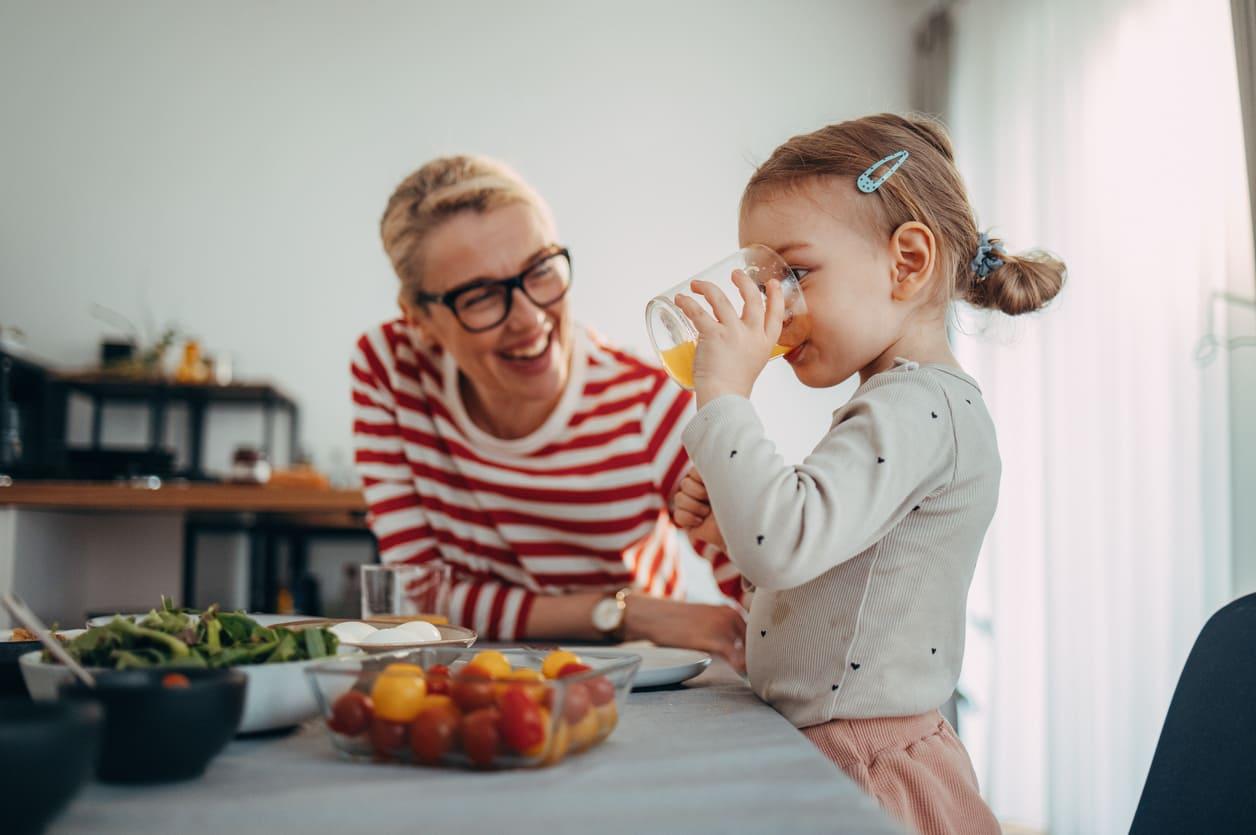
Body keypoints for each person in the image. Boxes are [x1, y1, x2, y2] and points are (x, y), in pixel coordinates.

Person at [671, 113, 1065, 834]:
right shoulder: (900, 404)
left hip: (865, 767)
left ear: (907, 263)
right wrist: (732, 534)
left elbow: (782, 543)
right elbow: (826, 581)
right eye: (760, 278)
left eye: (793, 273)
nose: (774, 305)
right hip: (832, 745)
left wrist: (724, 395)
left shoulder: (920, 409)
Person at [352, 155, 746, 667]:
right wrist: (626, 612)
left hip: (630, 682)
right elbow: (420, 595)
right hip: (471, 680)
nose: (529, 317)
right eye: (480, 297)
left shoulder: (646, 406)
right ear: (419, 320)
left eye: (539, 270)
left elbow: (758, 577)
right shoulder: (390, 367)